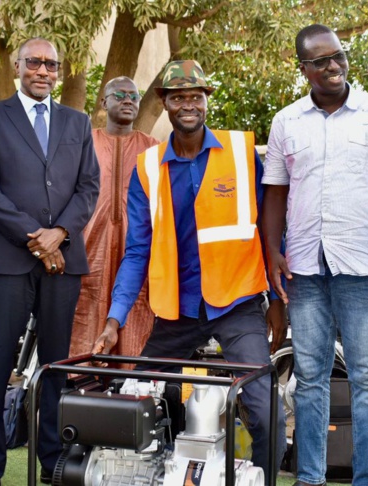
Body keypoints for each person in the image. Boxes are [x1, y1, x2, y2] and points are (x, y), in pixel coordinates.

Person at [92, 60, 287, 483]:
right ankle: (153, 475)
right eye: (178, 97)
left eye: (195, 97)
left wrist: (278, 300)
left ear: (206, 101)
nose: (188, 105)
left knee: (263, 407)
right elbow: (137, 250)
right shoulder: (148, 168)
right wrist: (114, 318)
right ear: (164, 103)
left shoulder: (241, 155)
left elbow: (271, 229)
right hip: (177, 309)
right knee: (136, 400)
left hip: (236, 305)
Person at [262, 24, 368, 486]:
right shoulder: (286, 121)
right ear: (304, 69)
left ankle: (367, 480)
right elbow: (274, 194)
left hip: (365, 268)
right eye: (321, 60)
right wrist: (273, 251)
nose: (333, 66)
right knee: (309, 379)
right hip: (306, 269)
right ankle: (310, 478)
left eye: (339, 56)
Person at [0, 37, 100, 485]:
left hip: (64, 262)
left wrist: (59, 234)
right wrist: (35, 238)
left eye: (51, 65)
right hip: (9, 262)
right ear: (17, 66)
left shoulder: (77, 123)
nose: (43, 71)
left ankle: (52, 462)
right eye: (35, 63)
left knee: (57, 367)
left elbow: (89, 189)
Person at [70, 76, 158, 363]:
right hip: (87, 251)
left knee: (136, 314)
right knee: (84, 313)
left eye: (134, 95)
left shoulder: (154, 149)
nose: (128, 100)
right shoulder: (83, 143)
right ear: (103, 102)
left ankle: (132, 392)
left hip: (138, 252)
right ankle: (81, 388)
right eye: (119, 95)